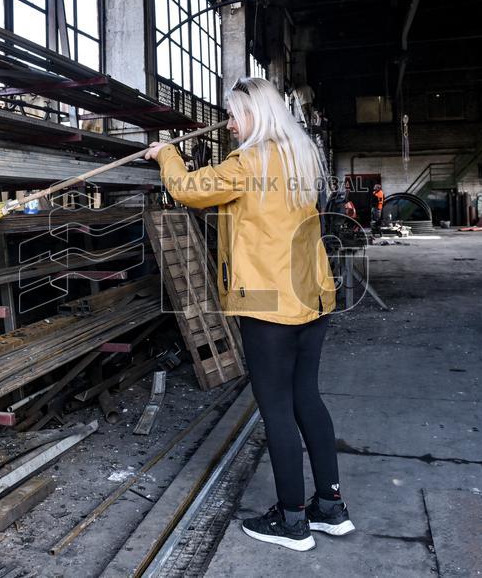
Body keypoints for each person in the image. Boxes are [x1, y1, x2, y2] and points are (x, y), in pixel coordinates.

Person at [145, 77, 354, 552]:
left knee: (275, 408)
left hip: (267, 301)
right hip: (312, 297)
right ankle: (330, 507)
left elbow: (187, 190)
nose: (232, 126)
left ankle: (293, 520)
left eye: (236, 116)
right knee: (307, 399)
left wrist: (164, 155)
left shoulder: (247, 163)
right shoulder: (301, 157)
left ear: (256, 116)